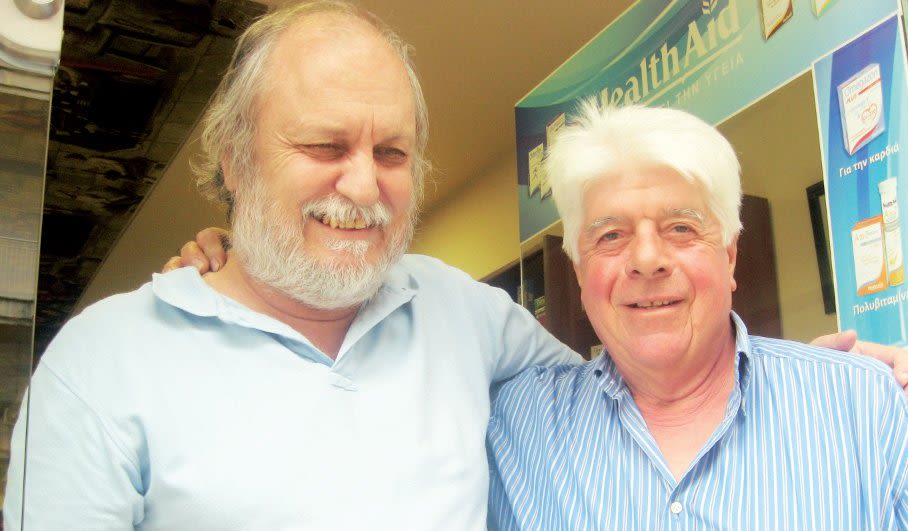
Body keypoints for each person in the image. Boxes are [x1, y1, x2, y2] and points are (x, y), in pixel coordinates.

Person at [3, 2, 580, 529]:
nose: (364, 186)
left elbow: (607, 400)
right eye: (325, 146)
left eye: (391, 152)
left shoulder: (464, 311)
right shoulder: (100, 361)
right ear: (235, 161)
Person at [486, 102, 908, 529]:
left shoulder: (865, 404)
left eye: (681, 228)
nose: (647, 260)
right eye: (611, 236)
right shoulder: (517, 427)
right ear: (579, 272)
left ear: (730, 256)